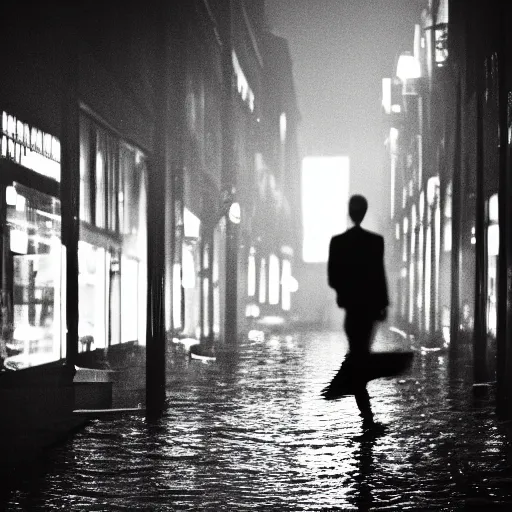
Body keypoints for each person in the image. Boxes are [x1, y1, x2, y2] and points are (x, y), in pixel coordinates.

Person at [327, 194, 389, 429]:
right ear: (364, 213)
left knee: (357, 355)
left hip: (352, 311)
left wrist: (346, 292)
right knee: (359, 356)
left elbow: (333, 278)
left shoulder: (338, 242)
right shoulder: (376, 242)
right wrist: (383, 304)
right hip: (370, 310)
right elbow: (379, 275)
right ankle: (368, 418)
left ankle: (366, 415)